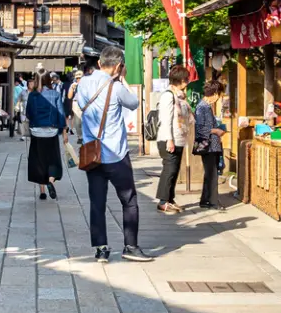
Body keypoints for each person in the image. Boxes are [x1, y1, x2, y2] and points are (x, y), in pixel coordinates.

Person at [72, 46, 150, 262]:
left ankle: (101, 249)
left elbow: (79, 105)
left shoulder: (83, 83)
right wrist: (122, 79)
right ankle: (130, 246)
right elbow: (134, 103)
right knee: (129, 200)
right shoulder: (116, 87)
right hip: (116, 154)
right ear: (118, 66)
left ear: (99, 63)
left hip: (92, 154)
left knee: (97, 202)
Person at [152, 66, 190, 214]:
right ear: (180, 80)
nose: (187, 82)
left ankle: (169, 199)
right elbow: (166, 119)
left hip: (178, 138)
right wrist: (169, 139)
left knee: (174, 170)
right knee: (169, 170)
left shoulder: (179, 96)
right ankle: (163, 202)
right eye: (186, 79)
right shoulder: (168, 96)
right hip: (168, 138)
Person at [24, 72, 65, 200]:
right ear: (49, 80)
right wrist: (63, 132)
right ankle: (51, 181)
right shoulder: (55, 94)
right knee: (53, 160)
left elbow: (28, 113)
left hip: (36, 132)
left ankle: (42, 192)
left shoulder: (32, 95)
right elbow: (61, 114)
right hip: (51, 131)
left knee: (38, 161)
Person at [193, 80, 228, 210]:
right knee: (212, 174)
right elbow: (200, 128)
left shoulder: (206, 106)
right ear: (214, 93)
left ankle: (205, 200)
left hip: (211, 145)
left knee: (210, 174)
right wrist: (216, 131)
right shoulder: (202, 107)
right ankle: (213, 202)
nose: (218, 98)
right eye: (219, 94)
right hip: (208, 145)